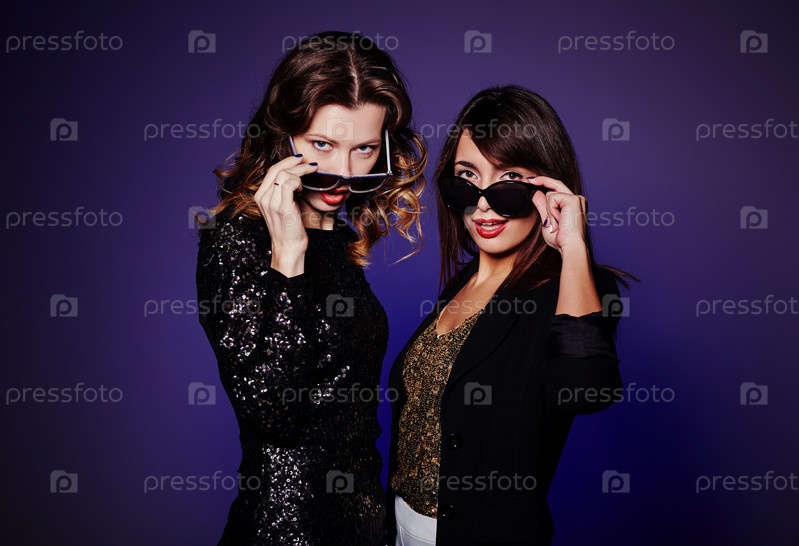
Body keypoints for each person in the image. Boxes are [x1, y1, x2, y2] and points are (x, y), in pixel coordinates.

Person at [196, 31, 426, 545]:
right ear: (283, 136)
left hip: (364, 524)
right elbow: (273, 409)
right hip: (287, 528)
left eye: (365, 148)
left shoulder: (339, 238)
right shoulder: (237, 238)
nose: (343, 171)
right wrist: (288, 255)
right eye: (323, 144)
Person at [387, 85, 632, 545]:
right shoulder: (462, 283)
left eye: (510, 179)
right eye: (467, 177)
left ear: (548, 187)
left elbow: (586, 389)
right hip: (400, 528)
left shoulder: (574, 286)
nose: (483, 202)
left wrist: (573, 248)